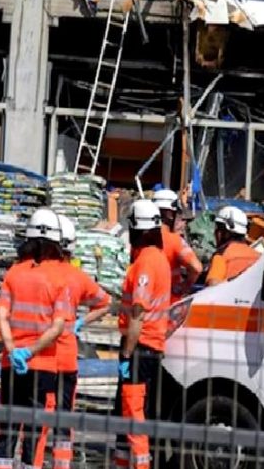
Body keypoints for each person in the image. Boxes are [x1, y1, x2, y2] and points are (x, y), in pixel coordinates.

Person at [0, 208, 70, 469]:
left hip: (11, 364)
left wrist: (14, 350)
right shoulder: (60, 276)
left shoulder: (14, 272)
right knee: (34, 432)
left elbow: (1, 315)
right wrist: (31, 351)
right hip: (43, 365)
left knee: (8, 426)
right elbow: (57, 327)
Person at [113, 200, 171, 469]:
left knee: (134, 415)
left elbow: (137, 312)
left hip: (139, 350)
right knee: (126, 415)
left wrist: (126, 353)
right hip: (151, 348)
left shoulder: (146, 263)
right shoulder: (159, 259)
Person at [53, 215, 111, 469]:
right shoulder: (77, 277)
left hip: (40, 357)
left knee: (34, 416)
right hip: (66, 356)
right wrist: (81, 322)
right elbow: (106, 302)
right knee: (64, 415)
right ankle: (61, 464)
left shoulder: (37, 273)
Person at [152, 189, 202, 301]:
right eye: (177, 214)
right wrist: (185, 286)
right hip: (168, 304)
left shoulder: (141, 239)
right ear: (170, 214)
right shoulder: (175, 240)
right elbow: (196, 268)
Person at [206, 206, 260, 286]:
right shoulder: (258, 256)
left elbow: (212, 285)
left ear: (226, 233)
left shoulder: (222, 256)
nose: (215, 233)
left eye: (218, 229)